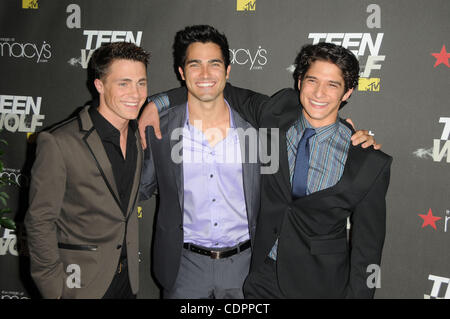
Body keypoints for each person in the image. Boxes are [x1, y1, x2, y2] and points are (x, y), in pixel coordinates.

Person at [139, 25, 379, 299]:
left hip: (260, 270)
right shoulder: (163, 131)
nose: (319, 93)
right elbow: (205, 88)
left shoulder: (261, 128)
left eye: (332, 84)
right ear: (299, 81)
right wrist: (155, 103)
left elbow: (366, 249)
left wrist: (350, 135)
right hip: (193, 269)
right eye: (312, 81)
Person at [25, 42, 149, 299]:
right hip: (79, 286)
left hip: (128, 282)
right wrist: (53, 289)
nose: (135, 94)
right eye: (123, 83)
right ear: (100, 85)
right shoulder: (58, 142)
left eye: (141, 83)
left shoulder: (137, 136)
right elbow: (39, 221)